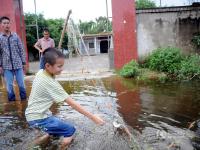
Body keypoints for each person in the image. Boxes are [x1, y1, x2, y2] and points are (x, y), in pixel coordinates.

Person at [25, 48, 105, 149]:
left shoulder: (41, 72)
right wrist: (94, 118)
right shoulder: (50, 83)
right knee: (70, 130)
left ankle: (31, 146)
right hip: (39, 118)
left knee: (51, 133)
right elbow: (72, 103)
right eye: (59, 66)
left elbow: (44, 62)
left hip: (33, 114)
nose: (62, 69)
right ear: (48, 66)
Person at [0, 16, 27, 101]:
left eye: (8, 23)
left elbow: (21, 49)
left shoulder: (15, 36)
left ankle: (24, 103)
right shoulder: (0, 38)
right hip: (6, 66)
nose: (6, 25)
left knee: (21, 85)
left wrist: (23, 63)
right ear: (1, 25)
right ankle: (12, 107)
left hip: (18, 65)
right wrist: (0, 65)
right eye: (4, 23)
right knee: (9, 87)